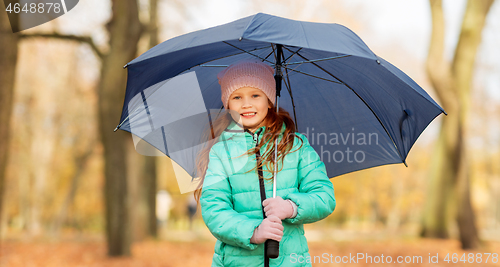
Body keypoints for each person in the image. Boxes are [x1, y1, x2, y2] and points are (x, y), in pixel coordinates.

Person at [193, 60, 336, 267]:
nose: (246, 104)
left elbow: (324, 196)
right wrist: (254, 232)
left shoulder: (295, 145)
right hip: (236, 262)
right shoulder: (221, 151)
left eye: (255, 95)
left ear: (269, 101)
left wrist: (291, 207)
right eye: (237, 97)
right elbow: (214, 208)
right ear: (228, 104)